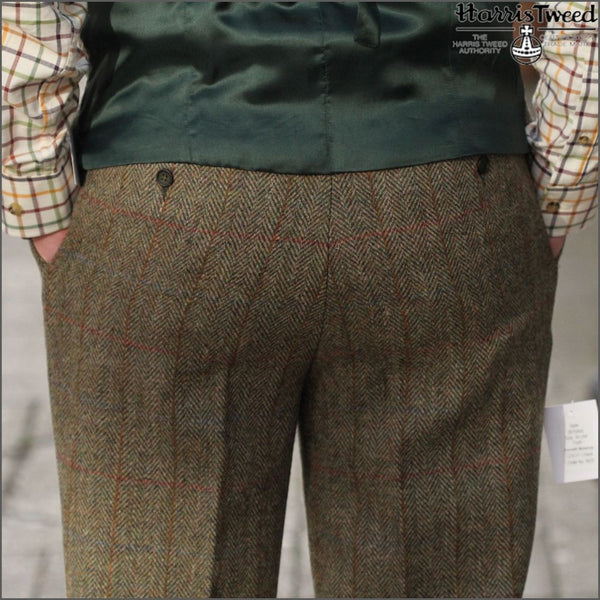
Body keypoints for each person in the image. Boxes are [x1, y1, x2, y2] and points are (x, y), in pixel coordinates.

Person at [2, 2, 597, 598]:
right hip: (450, 175)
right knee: (439, 574)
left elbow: (28, 14)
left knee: (161, 567)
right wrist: (564, 181)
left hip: (168, 184)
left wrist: (40, 196)